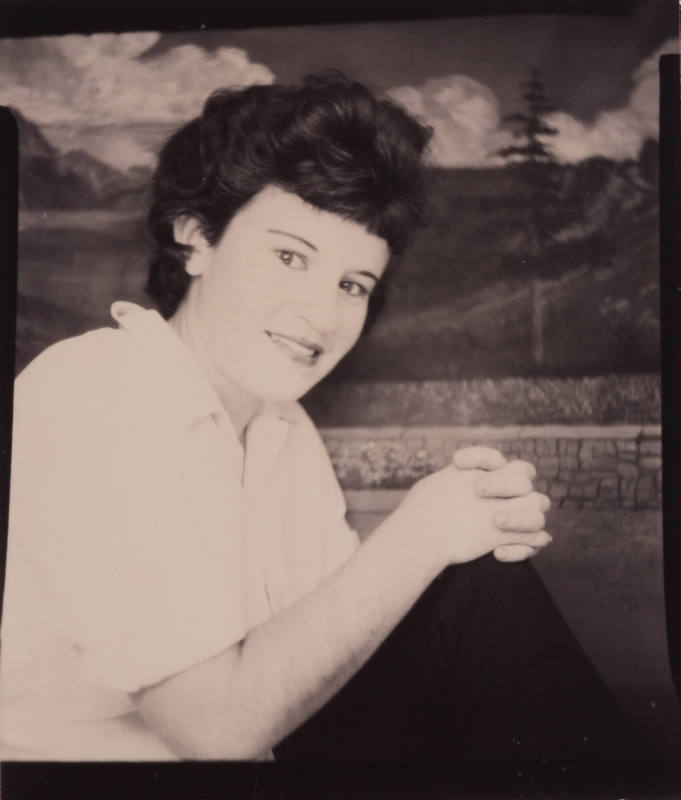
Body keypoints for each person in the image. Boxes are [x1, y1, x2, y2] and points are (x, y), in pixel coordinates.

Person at [0, 73, 641, 762]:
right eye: (288, 256)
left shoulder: (281, 427)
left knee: (476, 584)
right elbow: (215, 730)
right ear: (196, 238)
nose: (321, 315)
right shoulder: (99, 392)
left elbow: (329, 651)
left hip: (260, 764)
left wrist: (469, 521)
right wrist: (421, 534)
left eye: (351, 285)